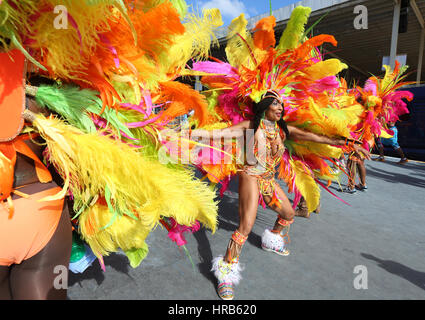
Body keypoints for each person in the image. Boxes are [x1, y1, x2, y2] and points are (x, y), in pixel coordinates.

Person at [199, 91, 370, 300]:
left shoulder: (282, 129)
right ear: (264, 107)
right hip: (250, 175)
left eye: (282, 105)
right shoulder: (251, 126)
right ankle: (226, 271)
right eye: (275, 104)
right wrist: (184, 135)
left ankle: (270, 241)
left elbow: (315, 137)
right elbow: (219, 134)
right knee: (246, 226)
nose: (280, 108)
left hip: (268, 180)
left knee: (288, 214)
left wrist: (348, 143)